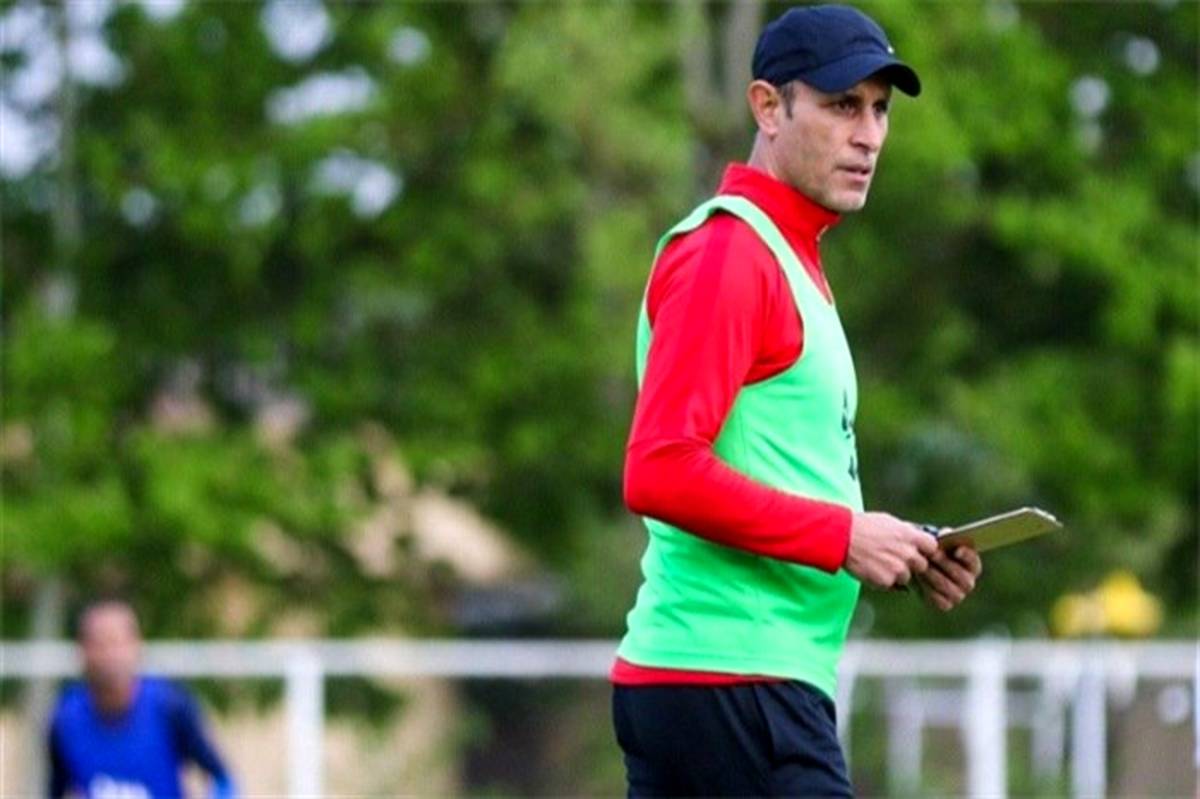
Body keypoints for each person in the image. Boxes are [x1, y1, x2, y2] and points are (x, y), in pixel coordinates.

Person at [612, 5, 984, 796]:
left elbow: (783, 468)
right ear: (768, 107)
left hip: (738, 682)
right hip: (733, 680)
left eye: (879, 110)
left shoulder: (786, 256)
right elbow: (659, 468)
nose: (869, 135)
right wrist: (843, 537)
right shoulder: (729, 253)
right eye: (843, 105)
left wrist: (901, 548)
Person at [47, 599, 237, 799]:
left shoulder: (169, 706)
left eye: (117, 642)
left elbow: (222, 779)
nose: (109, 655)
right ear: (82, 651)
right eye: (99, 644)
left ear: (136, 646)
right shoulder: (66, 719)